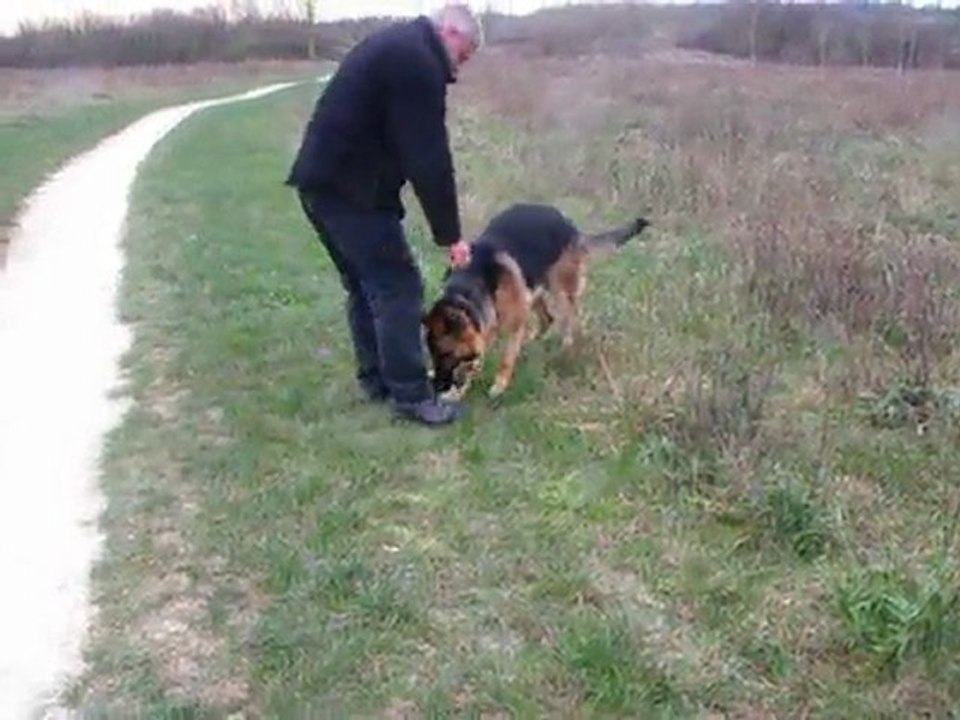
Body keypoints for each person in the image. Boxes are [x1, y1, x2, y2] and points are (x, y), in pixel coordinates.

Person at [286, 4, 482, 426]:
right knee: (398, 287)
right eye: (463, 56)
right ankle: (412, 396)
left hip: (324, 185)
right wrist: (450, 234)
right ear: (449, 32)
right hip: (351, 194)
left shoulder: (399, 46)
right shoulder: (416, 60)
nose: (458, 70)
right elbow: (427, 155)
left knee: (365, 287)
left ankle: (378, 382)